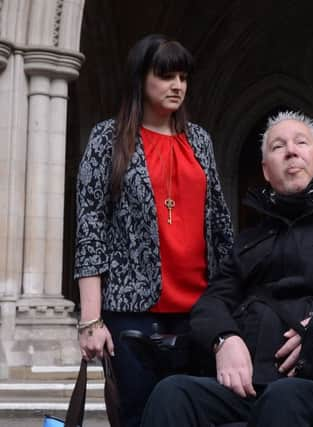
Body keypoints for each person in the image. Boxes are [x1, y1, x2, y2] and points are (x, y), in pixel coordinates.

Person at [140, 111, 313, 427]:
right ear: (266, 171)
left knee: (284, 399)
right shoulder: (252, 238)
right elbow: (212, 302)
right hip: (250, 385)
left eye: (301, 142)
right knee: (172, 393)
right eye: (278, 146)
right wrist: (223, 338)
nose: (291, 151)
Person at [74, 34, 233, 427]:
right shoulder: (107, 139)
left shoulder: (200, 141)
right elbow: (90, 229)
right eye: (165, 76)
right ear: (140, 79)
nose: (177, 85)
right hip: (132, 316)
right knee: (139, 418)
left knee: (196, 415)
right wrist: (91, 320)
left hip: (198, 312)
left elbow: (220, 225)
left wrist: (232, 306)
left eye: (183, 76)